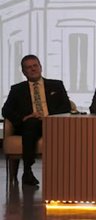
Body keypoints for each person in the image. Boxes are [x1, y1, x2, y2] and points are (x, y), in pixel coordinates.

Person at [2, 55, 71, 186]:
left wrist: (48, 116)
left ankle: (61, 174)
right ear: (23, 71)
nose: (33, 69)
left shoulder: (56, 85)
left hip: (52, 124)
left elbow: (66, 107)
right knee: (31, 123)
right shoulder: (17, 89)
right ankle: (27, 171)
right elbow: (6, 110)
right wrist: (24, 117)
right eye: (28, 67)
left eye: (35, 66)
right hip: (29, 125)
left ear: (41, 67)